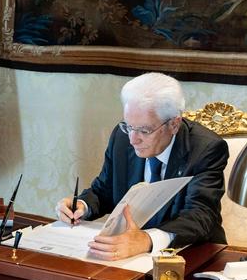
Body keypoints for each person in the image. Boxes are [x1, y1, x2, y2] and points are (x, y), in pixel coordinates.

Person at [56, 72, 228, 260]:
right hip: (133, 256)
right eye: (129, 126)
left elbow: (200, 216)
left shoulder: (205, 149)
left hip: (191, 253)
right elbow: (104, 190)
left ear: (174, 125)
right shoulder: (121, 138)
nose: (133, 139)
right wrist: (82, 205)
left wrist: (146, 240)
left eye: (144, 130)